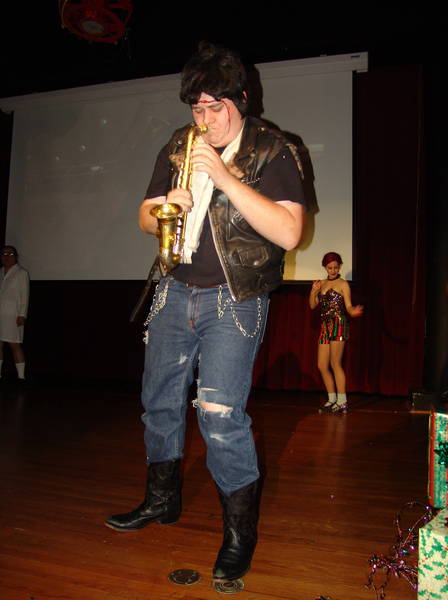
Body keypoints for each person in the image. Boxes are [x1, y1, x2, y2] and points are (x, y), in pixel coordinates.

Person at [105, 42, 305, 581]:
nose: (205, 119)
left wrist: (223, 177)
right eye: (197, 108)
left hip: (234, 300)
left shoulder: (273, 149)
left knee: (220, 416)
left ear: (242, 99)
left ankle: (239, 534)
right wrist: (164, 207)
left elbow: (290, 232)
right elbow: (144, 216)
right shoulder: (179, 144)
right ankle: (161, 500)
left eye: (216, 107)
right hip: (173, 290)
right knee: (158, 405)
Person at [309, 252, 363, 413]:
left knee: (335, 363)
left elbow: (348, 306)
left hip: (338, 324)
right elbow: (312, 305)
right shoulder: (321, 284)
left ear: (339, 267)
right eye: (330, 268)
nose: (333, 270)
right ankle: (332, 399)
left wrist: (353, 311)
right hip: (325, 326)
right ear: (325, 267)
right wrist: (313, 291)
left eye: (336, 267)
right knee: (321, 365)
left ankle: (342, 401)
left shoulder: (343, 284)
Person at [0, 245, 29, 380]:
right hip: (0, 313)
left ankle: (21, 377)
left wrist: (22, 314)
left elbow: (25, 295)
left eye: (10, 254)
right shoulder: (0, 272)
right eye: (4, 254)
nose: (7, 257)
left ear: (16, 257)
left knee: (14, 344)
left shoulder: (21, 273)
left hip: (13, 314)